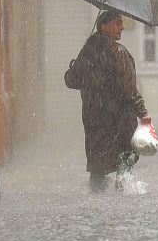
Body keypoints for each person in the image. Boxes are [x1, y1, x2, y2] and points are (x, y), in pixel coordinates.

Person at [65, 10, 151, 192]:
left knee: (97, 164)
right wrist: (143, 113)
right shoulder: (119, 52)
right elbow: (130, 89)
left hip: (94, 118)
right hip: (119, 118)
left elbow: (71, 81)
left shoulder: (87, 52)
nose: (122, 27)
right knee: (126, 157)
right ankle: (122, 192)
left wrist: (74, 65)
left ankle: (96, 199)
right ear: (104, 26)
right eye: (117, 23)